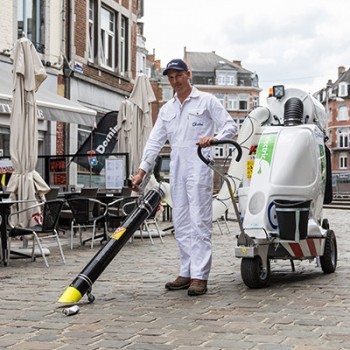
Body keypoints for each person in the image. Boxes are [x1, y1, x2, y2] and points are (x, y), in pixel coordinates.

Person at [131, 58, 238, 296]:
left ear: (188, 75)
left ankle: (200, 275)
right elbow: (155, 142)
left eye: (178, 75)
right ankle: (186, 271)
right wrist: (141, 171)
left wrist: (215, 138)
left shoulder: (207, 101)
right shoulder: (168, 110)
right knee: (180, 222)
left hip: (200, 167)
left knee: (199, 221)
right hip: (177, 169)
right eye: (170, 77)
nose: (174, 80)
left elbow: (230, 126)